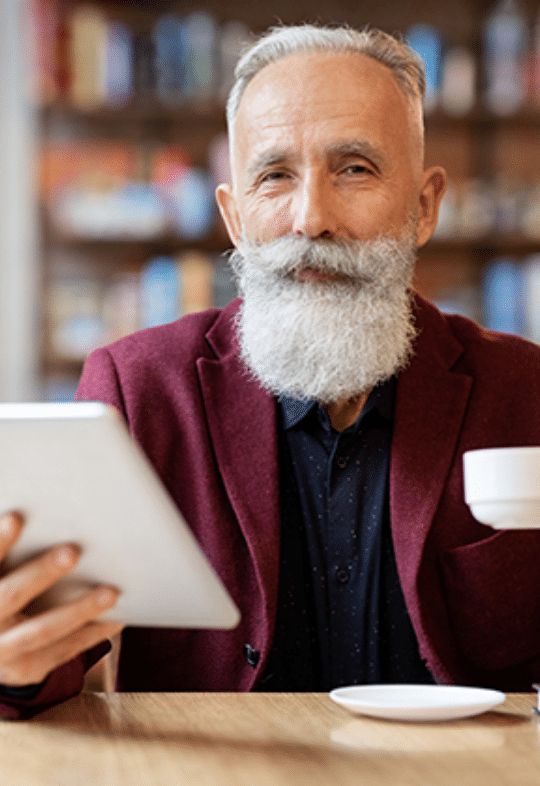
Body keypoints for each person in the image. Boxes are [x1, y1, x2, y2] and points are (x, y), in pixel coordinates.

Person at [1, 23, 540, 719]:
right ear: (233, 216)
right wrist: (15, 661)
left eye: (354, 169)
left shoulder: (525, 392)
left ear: (425, 206)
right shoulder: (138, 391)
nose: (310, 218)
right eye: (274, 176)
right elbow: (50, 662)